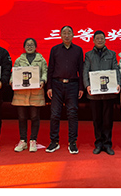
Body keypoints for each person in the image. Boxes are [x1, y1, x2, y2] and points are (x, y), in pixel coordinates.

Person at [46, 25, 84, 154]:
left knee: (72, 113)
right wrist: (49, 86)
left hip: (73, 85)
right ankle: (54, 141)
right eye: (64, 33)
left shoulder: (78, 50)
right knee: (55, 114)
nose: (66, 35)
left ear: (73, 35)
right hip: (56, 84)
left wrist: (81, 87)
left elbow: (81, 70)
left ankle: (72, 142)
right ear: (60, 35)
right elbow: (50, 69)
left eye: (69, 33)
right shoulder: (55, 49)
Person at [83, 30, 121, 155]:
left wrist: (118, 83)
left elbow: (116, 70)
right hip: (94, 94)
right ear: (93, 40)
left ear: (105, 40)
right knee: (97, 120)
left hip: (109, 93)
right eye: (97, 38)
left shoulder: (112, 54)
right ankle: (98, 143)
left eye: (102, 38)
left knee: (108, 120)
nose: (100, 40)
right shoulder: (89, 55)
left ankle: (107, 144)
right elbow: (85, 71)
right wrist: (87, 85)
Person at [10, 38, 47, 153]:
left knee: (35, 117)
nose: (29, 47)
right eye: (27, 45)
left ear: (35, 47)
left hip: (36, 92)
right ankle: (23, 141)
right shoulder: (19, 60)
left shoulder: (41, 60)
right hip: (21, 93)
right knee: (22, 117)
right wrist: (11, 81)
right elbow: (14, 73)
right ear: (24, 47)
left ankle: (33, 140)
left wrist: (43, 80)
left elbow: (45, 72)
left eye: (32, 45)